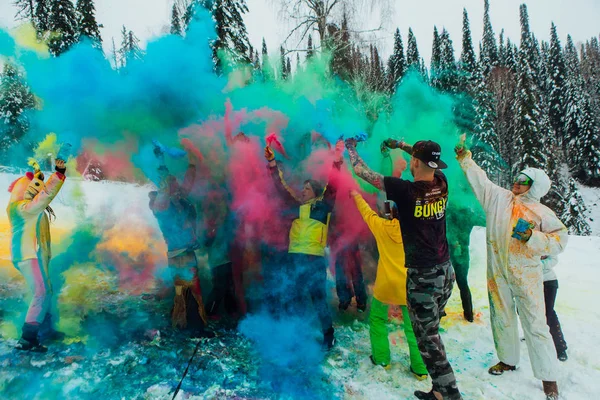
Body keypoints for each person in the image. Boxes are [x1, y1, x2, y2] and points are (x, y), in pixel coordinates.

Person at [346, 138, 462, 400]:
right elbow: (428, 162)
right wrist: (402, 145)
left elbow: (361, 172)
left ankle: (450, 394)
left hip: (424, 277)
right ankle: (439, 391)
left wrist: (350, 147)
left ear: (415, 163)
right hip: (445, 272)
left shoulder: (406, 191)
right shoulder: (441, 182)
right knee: (429, 334)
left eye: (413, 159)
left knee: (427, 340)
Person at [456, 142, 567, 400]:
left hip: (526, 274)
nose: (517, 182)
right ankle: (507, 359)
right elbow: (480, 181)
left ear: (535, 186)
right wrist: (465, 159)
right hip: (498, 271)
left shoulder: (541, 212)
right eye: (517, 178)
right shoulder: (499, 198)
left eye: (523, 181)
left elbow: (560, 240)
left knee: (536, 325)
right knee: (501, 316)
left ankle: (549, 377)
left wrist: (533, 237)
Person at [264, 140, 344, 350]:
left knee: (317, 299)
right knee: (295, 296)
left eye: (307, 188)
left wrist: (336, 160)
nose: (303, 191)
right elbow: (280, 187)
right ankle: (296, 335)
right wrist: (272, 162)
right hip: (295, 258)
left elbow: (333, 186)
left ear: (316, 192)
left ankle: (329, 336)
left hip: (313, 259)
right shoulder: (296, 207)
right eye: (303, 188)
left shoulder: (322, 206)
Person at [350, 189, 428, 380]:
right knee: (413, 328)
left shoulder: (382, 226)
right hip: (408, 285)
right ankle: (420, 368)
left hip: (385, 285)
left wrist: (356, 195)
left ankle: (382, 359)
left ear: (391, 213)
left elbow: (367, 213)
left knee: (377, 320)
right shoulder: (417, 231)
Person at [148, 147, 214, 339]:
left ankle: (185, 324)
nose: (177, 185)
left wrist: (192, 164)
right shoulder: (163, 208)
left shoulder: (178, 200)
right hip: (179, 255)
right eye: (172, 184)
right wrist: (160, 161)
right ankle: (191, 327)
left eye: (176, 183)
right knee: (188, 289)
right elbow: (164, 187)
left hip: (186, 253)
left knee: (189, 289)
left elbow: (188, 183)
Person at [7, 158, 67, 352]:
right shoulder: (24, 208)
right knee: (41, 292)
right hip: (28, 256)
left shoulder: (20, 207)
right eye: (32, 187)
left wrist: (39, 168)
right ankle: (27, 338)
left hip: (32, 255)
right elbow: (45, 195)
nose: (35, 190)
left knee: (46, 290)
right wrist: (58, 174)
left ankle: (45, 330)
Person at [541, 255, 568, 361]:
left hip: (548, 281)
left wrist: (536, 264)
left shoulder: (546, 240)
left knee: (548, 313)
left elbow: (554, 259)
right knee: (527, 312)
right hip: (529, 282)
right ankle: (535, 336)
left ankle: (560, 347)